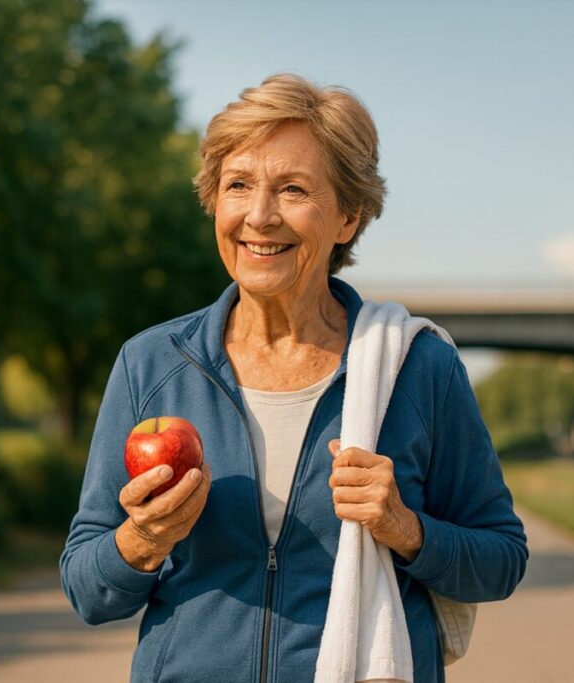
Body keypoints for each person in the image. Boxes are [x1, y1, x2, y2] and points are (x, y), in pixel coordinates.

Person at [60, 73, 528, 683]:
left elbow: (501, 559)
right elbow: (87, 589)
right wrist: (141, 542)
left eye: (293, 190)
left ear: (348, 218)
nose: (260, 216)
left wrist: (405, 529)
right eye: (238, 186)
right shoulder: (152, 364)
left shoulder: (417, 366)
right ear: (214, 202)